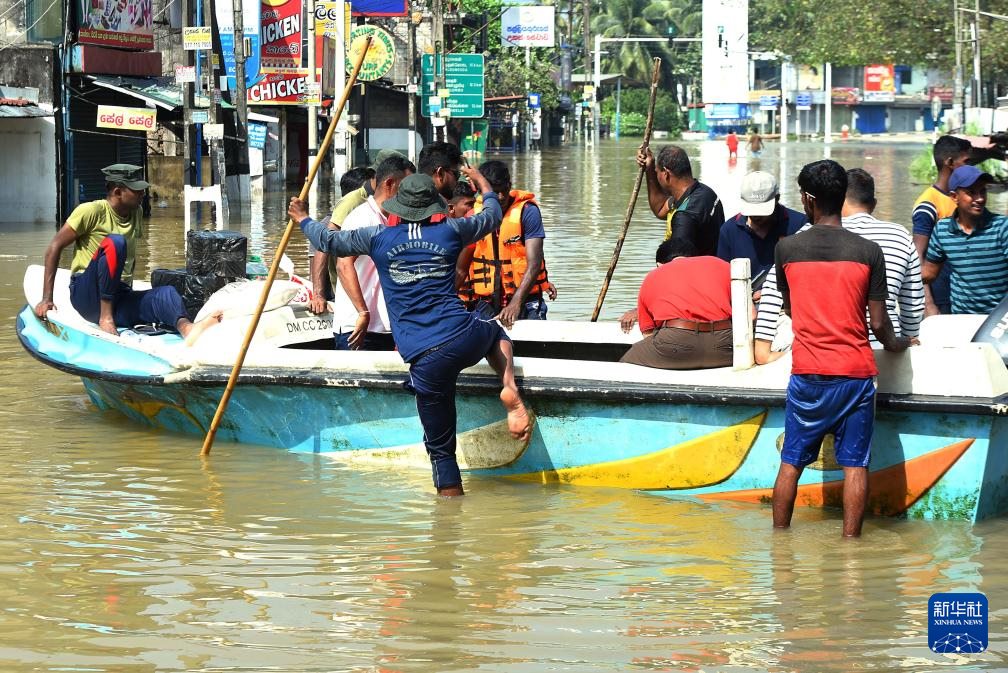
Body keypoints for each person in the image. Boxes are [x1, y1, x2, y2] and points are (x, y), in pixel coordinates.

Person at [290, 169, 533, 497]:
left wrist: (303, 218)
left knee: (441, 452)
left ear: (398, 207)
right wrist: (483, 183)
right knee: (495, 330)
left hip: (424, 356)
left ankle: (448, 515)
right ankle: (509, 388)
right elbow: (492, 216)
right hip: (463, 335)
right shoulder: (452, 230)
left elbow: (328, 241)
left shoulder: (378, 237)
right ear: (435, 207)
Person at [766, 159, 913, 538]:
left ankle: (779, 543)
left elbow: (791, 308)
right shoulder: (869, 251)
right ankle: (851, 548)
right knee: (855, 465)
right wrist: (900, 344)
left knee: (791, 463)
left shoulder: (786, 249)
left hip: (808, 373)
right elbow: (879, 324)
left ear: (808, 199)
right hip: (855, 374)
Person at [33, 164, 221, 345]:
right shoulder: (91, 211)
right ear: (117, 192)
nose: (143, 194)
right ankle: (105, 317)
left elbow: (131, 258)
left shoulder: (136, 212)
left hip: (119, 296)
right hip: (88, 296)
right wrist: (47, 298)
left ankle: (187, 329)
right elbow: (54, 247)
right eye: (137, 190)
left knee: (166, 293)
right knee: (115, 242)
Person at [753, 168, 925, 362]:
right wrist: (905, 341)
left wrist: (763, 351)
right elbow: (913, 305)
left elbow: (773, 294)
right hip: (883, 353)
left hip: (817, 354)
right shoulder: (899, 236)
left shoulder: (800, 239)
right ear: (874, 204)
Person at [455, 160, 556, 327]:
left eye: (504, 190)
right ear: (483, 191)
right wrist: (442, 301)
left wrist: (515, 303)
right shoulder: (474, 216)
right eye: (495, 192)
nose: (501, 197)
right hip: (486, 302)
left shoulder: (528, 212)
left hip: (526, 300)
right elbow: (461, 269)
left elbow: (534, 263)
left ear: (509, 185)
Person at [331, 154, 416, 350]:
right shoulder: (362, 217)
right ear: (390, 184)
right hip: (357, 327)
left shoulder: (396, 220)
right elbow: (343, 265)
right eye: (407, 187)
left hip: (388, 327)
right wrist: (363, 312)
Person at [619, 238, 733, 370]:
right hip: (726, 345)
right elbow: (749, 314)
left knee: (626, 362)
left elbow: (648, 333)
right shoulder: (722, 264)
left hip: (675, 345)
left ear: (659, 264)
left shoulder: (653, 275)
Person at [923, 165, 1008, 315]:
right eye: (971, 192)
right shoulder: (942, 230)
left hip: (999, 319)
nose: (980, 198)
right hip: (961, 318)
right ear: (954, 197)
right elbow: (929, 273)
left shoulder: (1002, 227)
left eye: (983, 191)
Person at [307, 163, 379, 315]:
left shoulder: (372, 217)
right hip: (344, 297)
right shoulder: (328, 226)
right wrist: (318, 296)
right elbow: (320, 256)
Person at [912, 135, 972, 316]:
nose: (971, 168)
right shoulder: (928, 204)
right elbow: (918, 257)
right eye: (966, 162)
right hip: (941, 296)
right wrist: (929, 304)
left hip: (962, 296)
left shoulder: (961, 199)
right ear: (950, 162)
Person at [716, 170, 806, 281]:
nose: (756, 216)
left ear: (777, 199)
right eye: (752, 209)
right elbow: (722, 277)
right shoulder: (729, 231)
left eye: (762, 211)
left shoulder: (800, 225)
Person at [638, 144, 725, 255]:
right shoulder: (705, 192)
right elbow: (660, 208)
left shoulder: (684, 216)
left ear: (666, 174)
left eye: (657, 172)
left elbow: (678, 260)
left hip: (696, 265)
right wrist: (650, 169)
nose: (657, 176)